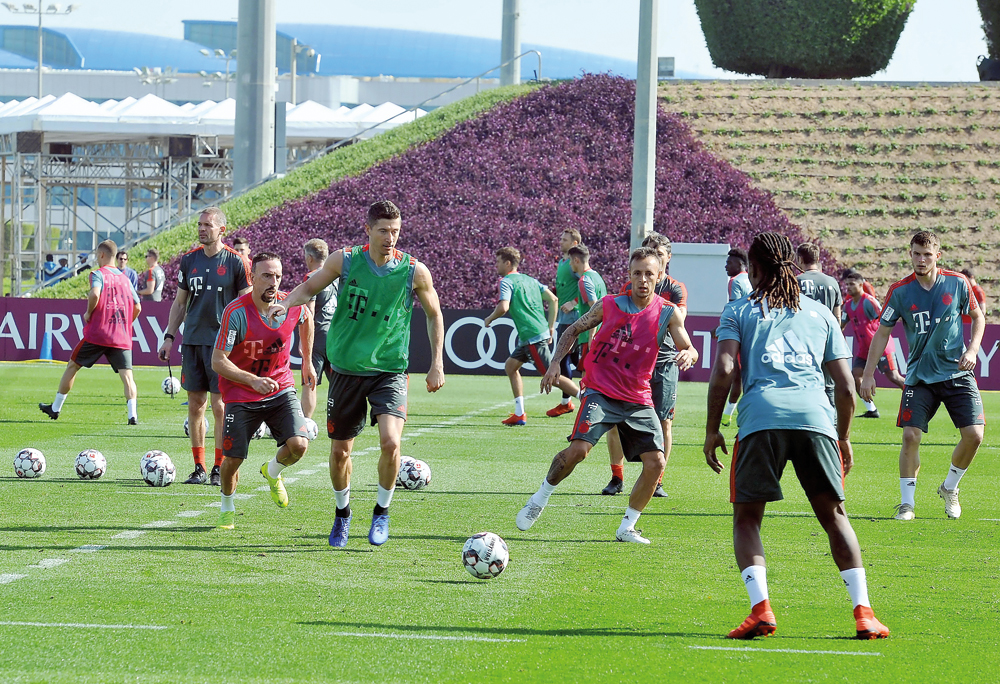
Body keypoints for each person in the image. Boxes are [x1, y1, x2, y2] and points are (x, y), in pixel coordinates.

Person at [704, 232, 889, 641]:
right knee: (835, 517)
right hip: (816, 420)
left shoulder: (738, 310)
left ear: (752, 270)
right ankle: (864, 613)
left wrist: (712, 428)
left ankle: (761, 610)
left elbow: (724, 370)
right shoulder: (821, 314)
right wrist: (842, 436)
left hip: (760, 421)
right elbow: (844, 386)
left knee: (747, 519)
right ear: (789, 265)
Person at [267, 200, 445, 548]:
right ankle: (343, 514)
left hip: (390, 370)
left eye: (395, 231)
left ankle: (382, 511)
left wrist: (436, 362)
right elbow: (308, 289)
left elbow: (434, 314)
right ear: (368, 230)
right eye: (383, 230)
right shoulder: (344, 260)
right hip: (346, 370)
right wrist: (284, 303)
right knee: (340, 453)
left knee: (392, 442)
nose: (390, 237)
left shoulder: (414, 270)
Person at [516, 247, 698, 544]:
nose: (643, 279)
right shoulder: (608, 304)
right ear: (629, 275)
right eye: (637, 273)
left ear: (660, 276)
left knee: (656, 463)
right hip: (600, 392)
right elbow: (572, 330)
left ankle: (627, 527)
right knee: (578, 452)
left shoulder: (668, 312)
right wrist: (554, 363)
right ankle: (539, 498)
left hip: (638, 397)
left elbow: (688, 346)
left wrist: (689, 353)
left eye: (649, 274)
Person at [861, 231, 985, 521]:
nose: (921, 259)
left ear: (937, 256)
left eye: (927, 254)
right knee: (910, 436)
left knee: (975, 435)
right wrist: (868, 375)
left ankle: (949, 488)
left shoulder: (957, 283)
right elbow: (882, 332)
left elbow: (978, 317)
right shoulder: (900, 291)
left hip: (956, 372)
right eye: (916, 253)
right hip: (919, 376)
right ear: (910, 254)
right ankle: (907, 504)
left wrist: (973, 348)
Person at [211, 253, 315, 530]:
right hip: (241, 394)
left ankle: (272, 471)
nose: (274, 282)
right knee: (232, 460)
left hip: (280, 387)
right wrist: (251, 380)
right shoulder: (236, 312)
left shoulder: (290, 304)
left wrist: (306, 360)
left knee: (299, 445)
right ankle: (227, 508)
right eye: (267, 276)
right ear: (252, 278)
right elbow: (218, 360)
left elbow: (306, 318)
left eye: (278, 276)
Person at [157, 207, 251, 487]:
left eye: (207, 225)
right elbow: (180, 303)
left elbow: (246, 305)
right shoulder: (189, 261)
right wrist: (169, 336)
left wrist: (243, 341)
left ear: (222, 230)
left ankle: (218, 467)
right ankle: (198, 467)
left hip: (224, 345)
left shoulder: (236, 262)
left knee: (219, 405)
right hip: (194, 342)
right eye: (199, 224)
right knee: (196, 405)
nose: (201, 229)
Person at [603, 232, 686, 499]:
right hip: (633, 363)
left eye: (659, 255)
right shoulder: (631, 286)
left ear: (667, 259)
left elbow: (679, 319)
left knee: (664, 423)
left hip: (663, 363)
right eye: (649, 252)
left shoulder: (675, 289)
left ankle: (657, 479)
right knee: (614, 421)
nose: (653, 260)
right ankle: (617, 476)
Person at [39, 239, 142, 425]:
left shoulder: (98, 274)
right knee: (127, 377)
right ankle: (132, 415)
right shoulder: (125, 278)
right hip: (121, 335)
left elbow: (95, 293)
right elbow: (138, 306)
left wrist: (88, 312)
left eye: (97, 255)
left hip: (98, 332)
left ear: (102, 255)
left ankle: (55, 408)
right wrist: (126, 322)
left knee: (73, 366)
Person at [484, 246, 580, 426]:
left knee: (551, 376)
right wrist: (551, 327)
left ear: (507, 263)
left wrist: (489, 318)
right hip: (534, 334)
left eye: (498, 261)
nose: (495, 265)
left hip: (532, 335)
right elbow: (553, 299)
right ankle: (519, 413)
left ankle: (586, 398)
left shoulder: (506, 281)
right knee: (511, 367)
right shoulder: (530, 280)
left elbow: (503, 307)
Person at [841, 270, 905, 418]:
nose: (848, 288)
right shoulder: (848, 305)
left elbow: (885, 319)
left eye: (852, 284)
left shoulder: (869, 301)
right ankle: (872, 409)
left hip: (880, 347)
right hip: (864, 349)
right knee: (856, 377)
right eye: (847, 285)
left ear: (861, 284)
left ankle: (915, 400)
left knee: (894, 377)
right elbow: (841, 325)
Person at [796, 242, 844, 407]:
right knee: (828, 387)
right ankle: (831, 427)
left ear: (800, 259)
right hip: (826, 340)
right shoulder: (832, 282)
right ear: (817, 259)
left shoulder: (795, 282)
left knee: (802, 384)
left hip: (802, 342)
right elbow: (837, 317)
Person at [300, 238, 338, 420]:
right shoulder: (336, 277)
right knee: (338, 383)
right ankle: (342, 419)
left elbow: (309, 311)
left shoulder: (312, 277)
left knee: (310, 382)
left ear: (309, 257)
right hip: (335, 337)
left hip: (317, 336)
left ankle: (305, 423)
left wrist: (303, 340)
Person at [547, 228, 583, 417]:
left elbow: (586, 282)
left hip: (573, 319)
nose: (560, 242)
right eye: (561, 238)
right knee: (577, 360)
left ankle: (567, 402)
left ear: (575, 244)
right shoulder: (563, 263)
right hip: (564, 319)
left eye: (565, 239)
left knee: (563, 359)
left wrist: (574, 302)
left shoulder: (573, 264)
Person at [721, 247, 751, 427]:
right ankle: (728, 416)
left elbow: (735, 309)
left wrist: (721, 328)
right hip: (754, 331)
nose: (726, 266)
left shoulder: (734, 281)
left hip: (741, 332)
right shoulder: (750, 279)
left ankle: (731, 416)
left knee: (735, 376)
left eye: (729, 262)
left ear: (740, 264)